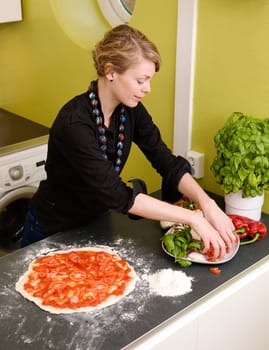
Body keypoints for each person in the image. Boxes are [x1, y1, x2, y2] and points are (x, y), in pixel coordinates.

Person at [21, 24, 236, 259]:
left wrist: (207, 204)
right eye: (141, 80)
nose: (148, 89)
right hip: (52, 230)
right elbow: (118, 195)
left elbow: (166, 162)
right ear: (111, 71)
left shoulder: (130, 111)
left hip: (96, 223)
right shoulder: (74, 124)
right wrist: (193, 217)